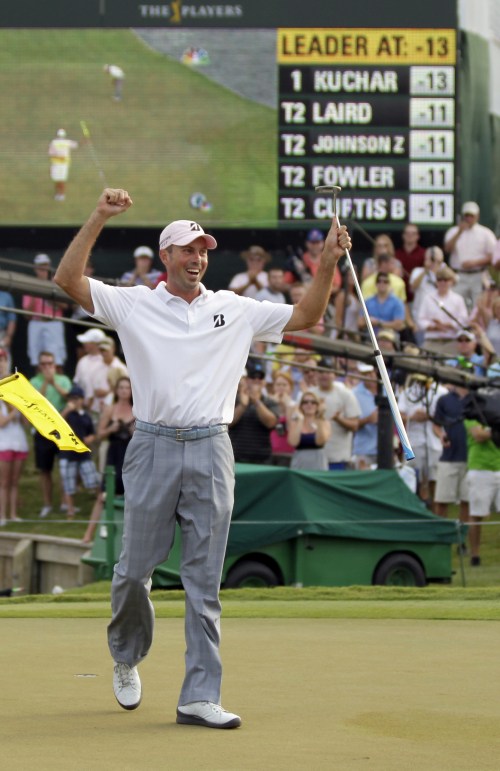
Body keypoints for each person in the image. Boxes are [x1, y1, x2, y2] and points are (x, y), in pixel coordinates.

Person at [54, 188, 351, 726]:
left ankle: (198, 696)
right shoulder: (134, 303)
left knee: (204, 581)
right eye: (188, 250)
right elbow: (67, 281)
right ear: (165, 256)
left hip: (213, 447)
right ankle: (125, 656)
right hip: (151, 444)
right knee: (133, 571)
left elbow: (307, 314)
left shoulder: (235, 309)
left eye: (204, 250)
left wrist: (328, 263)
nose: (198, 258)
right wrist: (99, 215)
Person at [82, 377, 134, 544]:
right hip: (114, 452)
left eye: (128, 388)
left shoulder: (137, 410)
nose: (125, 391)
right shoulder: (110, 409)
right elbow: (99, 435)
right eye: (122, 387)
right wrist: (111, 428)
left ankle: (125, 538)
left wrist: (133, 431)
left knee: (129, 496)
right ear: (117, 390)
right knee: (103, 495)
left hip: (131, 454)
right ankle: (89, 534)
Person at [30, 350, 72, 518]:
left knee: (64, 467)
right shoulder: (33, 381)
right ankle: (47, 504)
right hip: (42, 429)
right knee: (45, 469)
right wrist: (46, 383)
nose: (47, 367)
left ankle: (64, 502)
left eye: (50, 363)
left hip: (61, 428)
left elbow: (69, 398)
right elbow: (34, 401)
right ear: (39, 366)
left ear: (55, 365)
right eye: (44, 364)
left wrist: (54, 383)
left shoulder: (64, 380)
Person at [398, 378, 448, 508]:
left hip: (435, 442)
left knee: (435, 480)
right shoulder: (408, 392)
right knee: (415, 478)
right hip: (414, 442)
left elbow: (447, 416)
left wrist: (430, 416)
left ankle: (436, 513)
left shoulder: (442, 392)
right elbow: (398, 414)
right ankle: (420, 509)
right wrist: (413, 417)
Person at [432, 384, 470, 538]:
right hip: (448, 457)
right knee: (442, 500)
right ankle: (441, 537)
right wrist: (440, 435)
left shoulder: (476, 399)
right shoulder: (444, 399)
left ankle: (462, 539)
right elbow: (436, 425)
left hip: (470, 458)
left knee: (467, 502)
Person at [311, 357, 360, 470]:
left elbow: (355, 425)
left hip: (339, 458)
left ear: (334, 374)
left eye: (328, 372)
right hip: (314, 458)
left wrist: (338, 419)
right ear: (316, 373)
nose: (324, 375)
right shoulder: (309, 395)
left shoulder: (346, 394)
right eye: (321, 372)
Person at [444, 201, 496, 309]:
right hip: (459, 275)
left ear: (477, 216)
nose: (469, 218)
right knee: (454, 305)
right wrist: (459, 232)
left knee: (479, 306)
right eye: (466, 215)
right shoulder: (453, 231)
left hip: (478, 275)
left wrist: (474, 263)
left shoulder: (486, 233)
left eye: (471, 216)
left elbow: (494, 256)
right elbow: (447, 249)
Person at [60, 385, 100, 520]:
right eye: (71, 398)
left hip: (83, 453)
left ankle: (98, 506)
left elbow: (92, 433)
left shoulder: (86, 416)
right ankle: (70, 510)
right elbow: (57, 423)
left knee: (94, 480)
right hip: (67, 452)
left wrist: (90, 439)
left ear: (82, 400)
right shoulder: (66, 413)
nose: (73, 400)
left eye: (76, 398)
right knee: (68, 482)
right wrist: (67, 410)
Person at [464, 416, 500, 566]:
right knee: (477, 514)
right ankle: (475, 555)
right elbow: (478, 435)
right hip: (479, 468)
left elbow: (485, 433)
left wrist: (490, 431)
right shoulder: (472, 413)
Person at [22, 254, 67, 368]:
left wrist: (49, 293)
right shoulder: (30, 283)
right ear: (35, 268)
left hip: (54, 322)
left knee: (57, 361)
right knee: (37, 361)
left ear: (49, 266)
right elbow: (27, 313)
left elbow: (65, 305)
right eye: (40, 266)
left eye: (45, 265)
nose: (43, 269)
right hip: (36, 323)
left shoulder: (57, 282)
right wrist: (36, 290)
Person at [229, 363, 280, 464]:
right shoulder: (234, 400)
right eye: (253, 377)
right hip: (236, 457)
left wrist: (256, 401)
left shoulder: (271, 403)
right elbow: (227, 423)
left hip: (262, 459)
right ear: (247, 379)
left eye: (260, 377)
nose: (256, 380)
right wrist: (242, 406)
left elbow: (271, 423)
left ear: (264, 381)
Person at [0, 349, 29, 526]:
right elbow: (2, 422)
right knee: (3, 482)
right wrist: (15, 409)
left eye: (3, 360)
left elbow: (25, 423)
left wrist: (24, 408)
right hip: (3, 442)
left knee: (14, 482)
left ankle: (13, 514)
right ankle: (2, 516)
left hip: (19, 441)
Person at [417, 265, 469, 355]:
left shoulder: (458, 299)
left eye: (446, 280)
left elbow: (463, 320)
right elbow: (421, 320)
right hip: (431, 341)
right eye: (439, 280)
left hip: (451, 341)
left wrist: (447, 325)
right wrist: (434, 327)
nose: (442, 283)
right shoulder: (428, 298)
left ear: (451, 281)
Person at [283, 229, 342, 294]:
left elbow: (336, 286)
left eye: (317, 243)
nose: (315, 246)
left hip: (322, 300)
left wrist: (317, 290)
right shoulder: (298, 261)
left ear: (323, 243)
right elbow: (284, 285)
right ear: (307, 243)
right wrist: (300, 285)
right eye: (312, 243)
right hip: (302, 299)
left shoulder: (328, 261)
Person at [73, 327, 108, 426]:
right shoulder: (82, 361)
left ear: (95, 344)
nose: (84, 344)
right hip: (85, 410)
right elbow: (77, 384)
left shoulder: (108, 362)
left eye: (87, 341)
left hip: (105, 409)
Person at [287, 391, 330, 470]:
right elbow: (293, 442)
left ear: (318, 405)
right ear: (301, 406)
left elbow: (320, 441)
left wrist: (319, 416)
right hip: (299, 465)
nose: (309, 405)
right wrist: (300, 420)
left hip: (318, 464)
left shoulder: (324, 422)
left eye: (313, 402)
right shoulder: (294, 422)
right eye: (305, 402)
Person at [358, 271, 405, 337]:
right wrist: (369, 321)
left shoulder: (397, 302)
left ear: (389, 284)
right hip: (370, 337)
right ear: (375, 283)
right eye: (379, 281)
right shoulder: (368, 301)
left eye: (385, 281)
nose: (382, 283)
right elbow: (360, 322)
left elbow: (399, 325)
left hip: (389, 338)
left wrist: (379, 322)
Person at [409, 246, 444, 334]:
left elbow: (454, 280)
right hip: (421, 318)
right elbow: (413, 286)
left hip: (441, 320)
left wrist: (440, 264)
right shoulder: (418, 271)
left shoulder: (444, 271)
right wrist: (426, 269)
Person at [352, 362, 378, 469]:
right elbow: (351, 423)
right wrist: (369, 419)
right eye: (365, 373)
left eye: (370, 373)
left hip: (385, 448)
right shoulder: (354, 393)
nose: (369, 376)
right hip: (363, 448)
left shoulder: (387, 390)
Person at [269, 369, 296, 466]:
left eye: (284, 385)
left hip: (289, 453)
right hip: (270, 452)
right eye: (278, 385)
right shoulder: (268, 404)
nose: (281, 388)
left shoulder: (295, 406)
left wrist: (288, 405)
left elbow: (291, 428)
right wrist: (273, 405)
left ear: (291, 388)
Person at [48, 129, 81, 201]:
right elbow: (77, 145)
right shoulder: (67, 142)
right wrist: (86, 140)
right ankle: (61, 194)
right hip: (63, 164)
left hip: (56, 164)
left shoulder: (54, 142)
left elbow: (51, 154)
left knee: (58, 180)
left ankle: (59, 194)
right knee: (61, 180)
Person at [395, 223, 425, 299]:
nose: (410, 235)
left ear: (418, 236)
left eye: (413, 233)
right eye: (407, 233)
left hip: (418, 296)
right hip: (399, 296)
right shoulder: (396, 254)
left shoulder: (424, 254)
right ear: (403, 235)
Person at [332, 266, 361, 340]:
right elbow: (337, 320)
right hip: (343, 336)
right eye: (349, 275)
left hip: (353, 336)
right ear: (344, 277)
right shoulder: (342, 295)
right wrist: (341, 334)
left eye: (354, 275)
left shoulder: (356, 296)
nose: (352, 277)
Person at [0, 289, 16, 370]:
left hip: (2, 333)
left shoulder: (6, 296)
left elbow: (12, 319)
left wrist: (8, 336)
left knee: (3, 361)